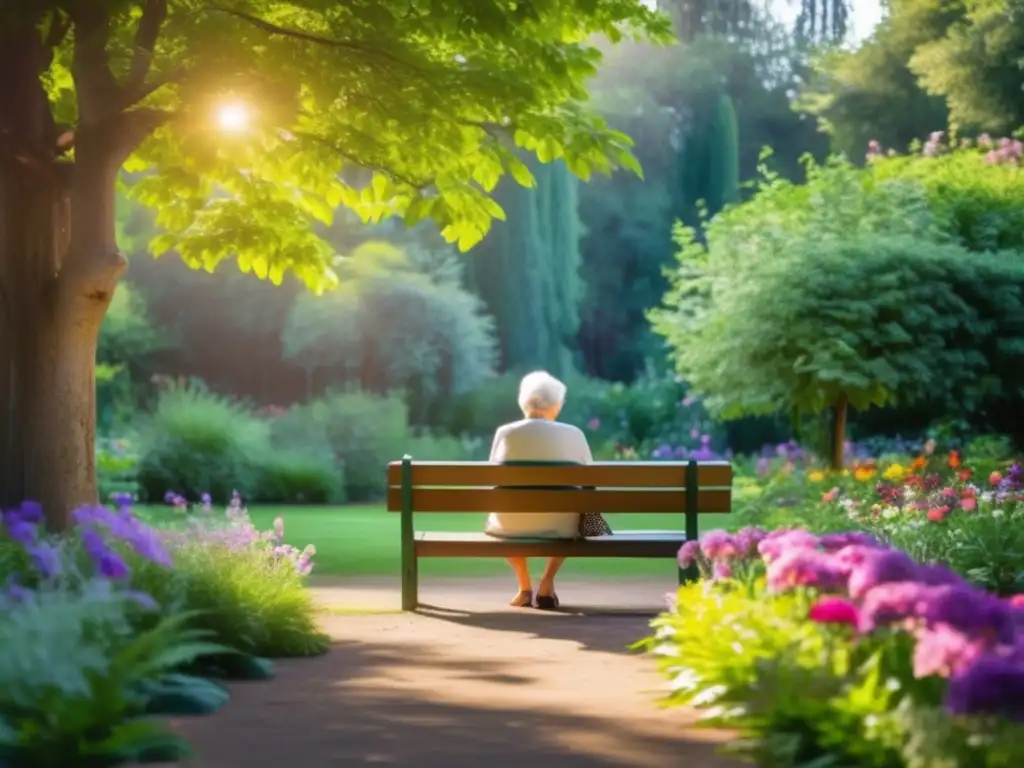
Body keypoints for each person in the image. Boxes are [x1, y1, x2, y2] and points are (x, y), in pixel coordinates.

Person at [484, 370, 612, 610]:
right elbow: (590, 481)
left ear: (523, 402)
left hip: (510, 523)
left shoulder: (505, 433)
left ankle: (524, 587)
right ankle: (546, 582)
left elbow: (494, 482)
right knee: (573, 512)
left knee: (502, 512)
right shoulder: (573, 433)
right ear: (556, 405)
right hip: (561, 524)